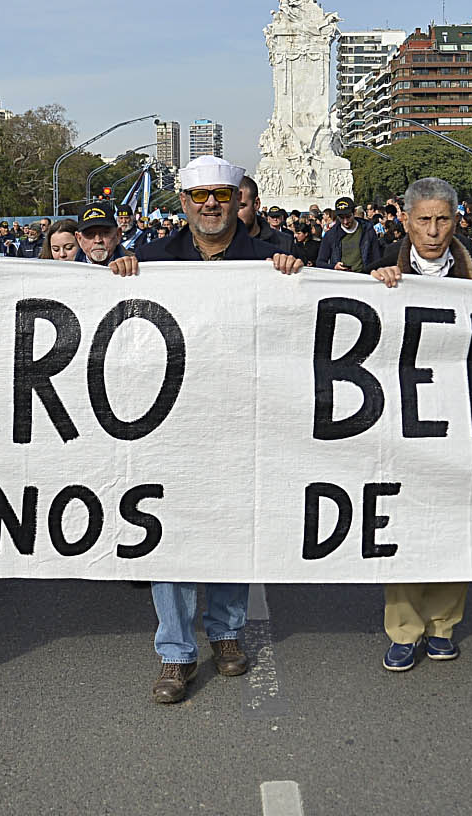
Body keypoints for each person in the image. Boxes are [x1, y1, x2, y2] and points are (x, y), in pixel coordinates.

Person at [108, 155, 305, 703]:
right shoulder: (147, 260)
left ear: (236, 196)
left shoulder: (270, 263)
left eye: (222, 194)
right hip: (165, 419)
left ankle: (225, 632)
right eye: (199, 197)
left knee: (231, 525)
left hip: (240, 416)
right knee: (164, 531)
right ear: (183, 200)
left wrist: (292, 282)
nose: (211, 205)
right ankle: (174, 651)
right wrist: (116, 276)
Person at [367, 178, 472, 670]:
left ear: (456, 221)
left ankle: (443, 624)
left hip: (461, 414)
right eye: (423, 220)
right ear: (406, 222)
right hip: (401, 415)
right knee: (402, 519)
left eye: (442, 220)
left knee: (454, 519)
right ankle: (404, 628)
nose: (433, 231)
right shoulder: (374, 273)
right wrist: (371, 287)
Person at [316, 196, 383, 273]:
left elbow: (376, 256)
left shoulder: (367, 229)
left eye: (348, 217)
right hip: (342, 279)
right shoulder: (330, 235)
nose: (345, 221)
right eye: (341, 218)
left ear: (354, 212)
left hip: (364, 277)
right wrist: (334, 266)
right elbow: (320, 262)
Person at [237, 175, 293, 254]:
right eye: (230, 208)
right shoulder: (217, 245)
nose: (233, 213)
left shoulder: (285, 243)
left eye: (240, 206)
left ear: (256, 204)